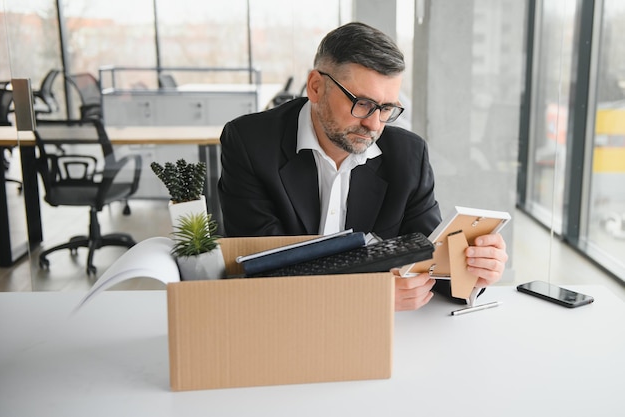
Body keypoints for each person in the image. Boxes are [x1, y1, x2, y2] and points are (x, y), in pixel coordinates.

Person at [218, 22, 508, 311]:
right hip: (280, 324)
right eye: (363, 103)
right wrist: (363, 295)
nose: (374, 124)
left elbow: (431, 261)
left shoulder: (408, 156)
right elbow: (262, 269)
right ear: (316, 87)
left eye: (386, 108)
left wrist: (473, 271)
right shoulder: (249, 144)